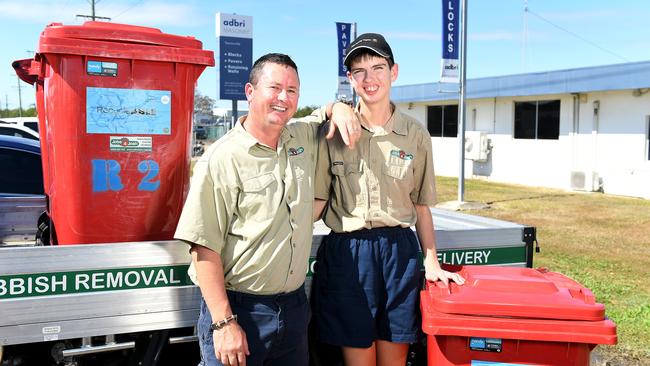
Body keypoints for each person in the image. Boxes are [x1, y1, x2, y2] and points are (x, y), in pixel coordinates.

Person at [174, 53, 360, 366]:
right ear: (250, 91)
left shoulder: (299, 136)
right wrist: (224, 323)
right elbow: (203, 247)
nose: (283, 98)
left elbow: (323, 114)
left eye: (292, 90)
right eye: (274, 88)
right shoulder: (222, 159)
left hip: (293, 309)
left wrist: (339, 106)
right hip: (239, 310)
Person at [312, 33, 466, 366]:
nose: (370, 79)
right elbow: (317, 202)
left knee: (394, 359)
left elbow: (422, 206)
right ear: (350, 79)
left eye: (377, 68)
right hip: (349, 255)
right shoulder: (333, 131)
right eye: (360, 71)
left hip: (399, 253)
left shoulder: (415, 134)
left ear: (394, 72)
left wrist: (432, 262)